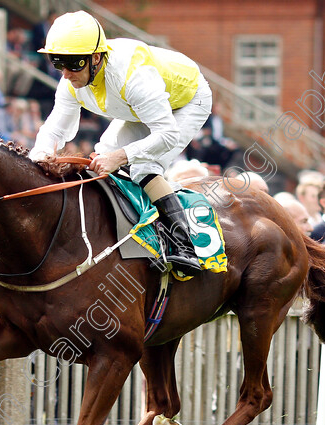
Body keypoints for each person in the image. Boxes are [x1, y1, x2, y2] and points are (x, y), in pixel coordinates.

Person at [28, 11, 212, 276]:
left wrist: (121, 156)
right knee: (103, 156)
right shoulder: (72, 80)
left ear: (95, 58)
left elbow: (167, 134)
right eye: (59, 64)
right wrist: (40, 155)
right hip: (140, 108)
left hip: (187, 101)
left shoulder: (132, 76)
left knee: (143, 166)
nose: (66, 74)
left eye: (73, 64)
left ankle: (184, 245)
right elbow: (55, 127)